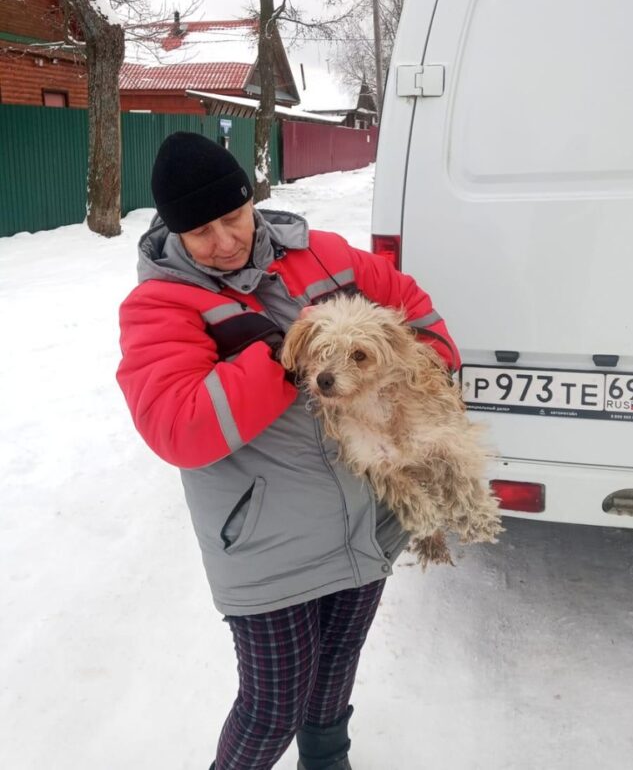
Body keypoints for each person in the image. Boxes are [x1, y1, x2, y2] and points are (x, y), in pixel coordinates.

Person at [116, 132, 460, 770]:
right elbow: (178, 428)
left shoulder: (325, 257)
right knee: (273, 704)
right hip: (266, 540)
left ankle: (327, 763)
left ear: (253, 200)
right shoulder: (162, 304)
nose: (223, 241)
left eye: (233, 217)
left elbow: (416, 314)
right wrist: (291, 357)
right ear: (173, 233)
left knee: (333, 677)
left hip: (364, 517)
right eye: (200, 232)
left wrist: (420, 372)